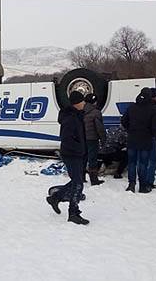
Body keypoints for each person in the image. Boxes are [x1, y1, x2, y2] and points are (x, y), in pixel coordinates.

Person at [45, 91, 89, 225]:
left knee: (77, 181)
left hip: (76, 153)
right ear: (77, 103)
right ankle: (73, 213)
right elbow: (66, 139)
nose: (84, 103)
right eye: (83, 101)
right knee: (78, 183)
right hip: (71, 154)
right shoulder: (70, 118)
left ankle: (55, 198)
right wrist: (78, 149)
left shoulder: (76, 115)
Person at [121, 88, 156, 193]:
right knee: (143, 163)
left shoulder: (132, 107)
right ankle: (143, 186)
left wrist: (129, 129)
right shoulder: (153, 109)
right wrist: (151, 134)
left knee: (131, 163)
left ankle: (131, 184)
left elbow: (123, 121)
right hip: (146, 140)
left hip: (132, 139)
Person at [83, 93, 106, 186]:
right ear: (94, 102)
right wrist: (103, 139)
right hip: (92, 139)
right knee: (92, 159)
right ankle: (94, 179)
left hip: (82, 138)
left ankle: (81, 177)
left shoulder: (81, 111)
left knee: (83, 157)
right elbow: (99, 128)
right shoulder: (96, 112)